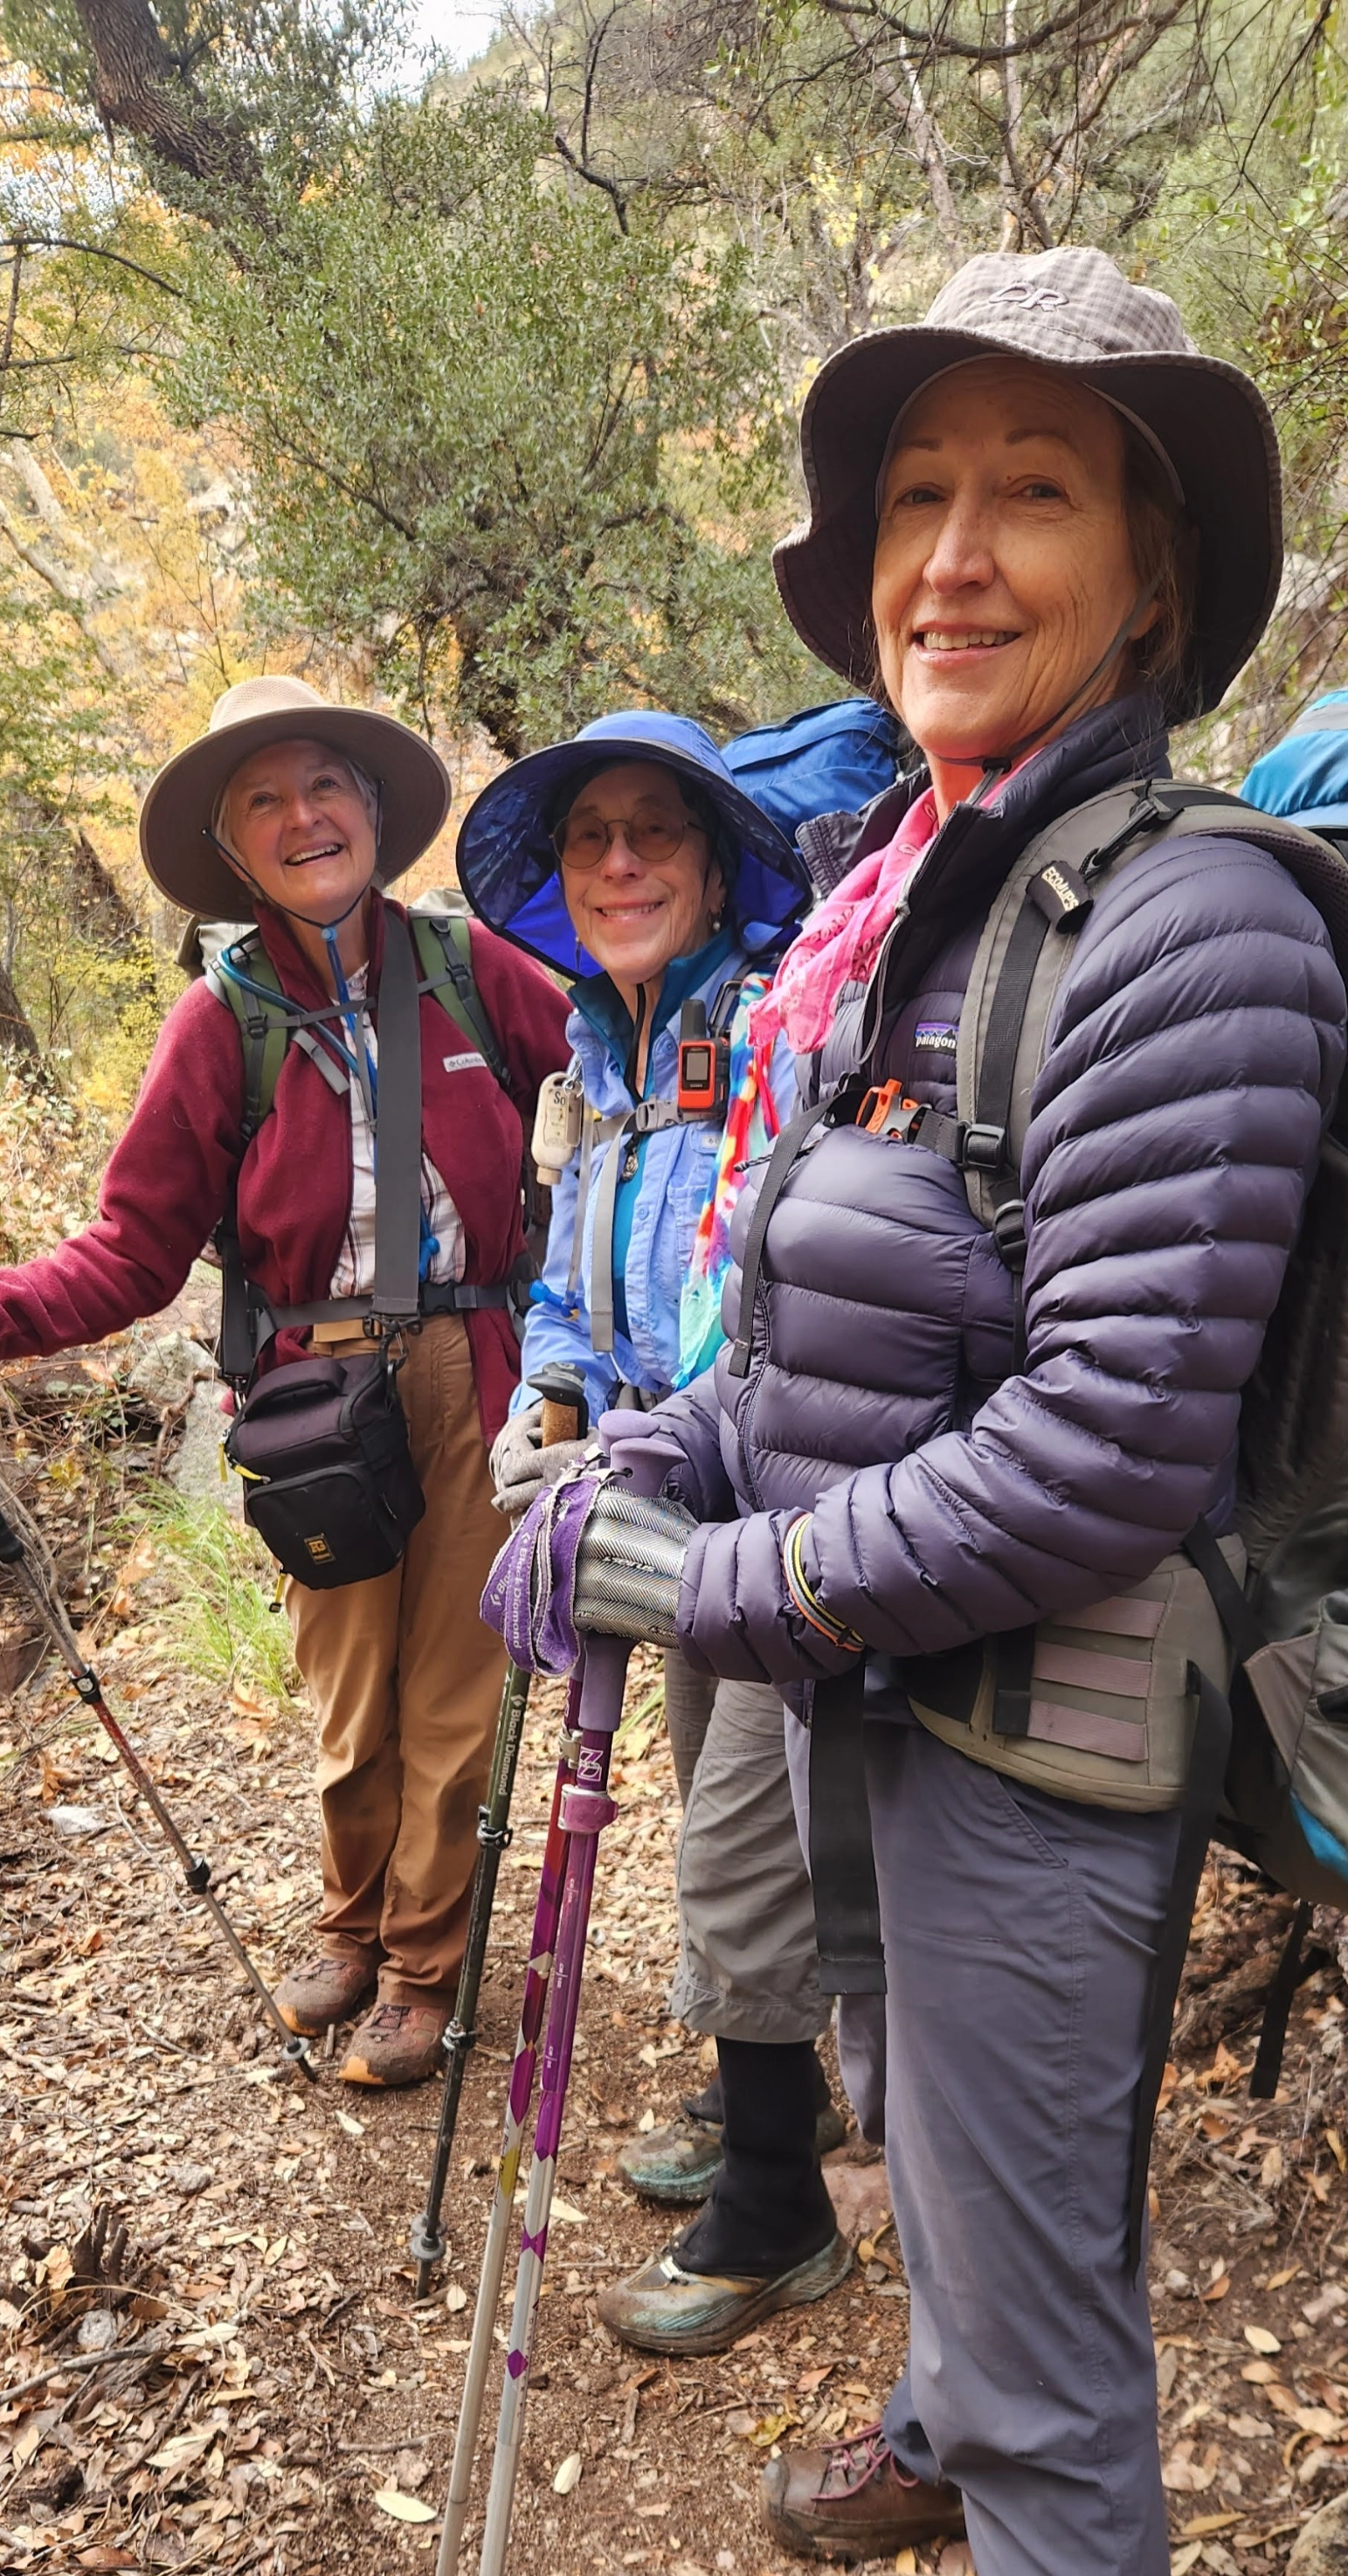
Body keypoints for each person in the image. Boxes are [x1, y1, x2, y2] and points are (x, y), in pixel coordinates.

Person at [484, 249, 1348, 2576]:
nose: (954, 554)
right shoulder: (916, 907)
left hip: (1039, 1755)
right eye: (917, 498)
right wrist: (660, 1453)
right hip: (887, 1713)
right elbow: (828, 1336)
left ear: (1156, 569)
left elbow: (1104, 1444)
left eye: (1035, 492)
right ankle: (932, 2399)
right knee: (949, 2215)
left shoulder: (1188, 926)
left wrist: (722, 1579)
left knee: (1068, 2402)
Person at [0, 677, 570, 2089]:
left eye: (325, 786)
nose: (304, 818)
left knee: (457, 1692)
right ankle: (350, 1923)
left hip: (477, 1366)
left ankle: (420, 1962)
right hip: (311, 1393)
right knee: (352, 1708)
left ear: (373, 808)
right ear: (232, 847)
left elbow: (608, 1094)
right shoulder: (219, 1025)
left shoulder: (472, 973)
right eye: (265, 802)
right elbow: (130, 1250)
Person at [460, 712, 850, 2352]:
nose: (618, 864)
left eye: (654, 836)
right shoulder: (595, 1060)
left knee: (735, 1837)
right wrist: (552, 1392)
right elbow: (570, 1274)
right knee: (716, 1793)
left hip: (766, 1499)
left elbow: (755, 1286)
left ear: (711, 866)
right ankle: (776, 2089)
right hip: (652, 1498)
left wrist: (630, 1450)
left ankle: (778, 2209)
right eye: (590, 841)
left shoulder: (775, 1024)